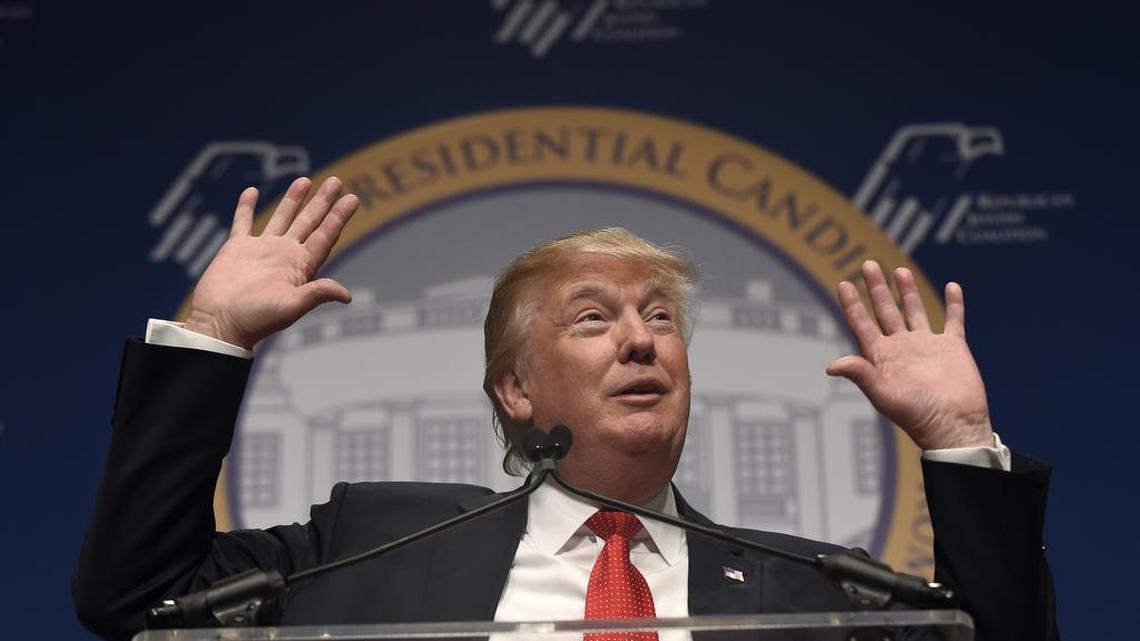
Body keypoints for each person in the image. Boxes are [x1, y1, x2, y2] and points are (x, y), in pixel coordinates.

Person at [74, 177, 1058, 641]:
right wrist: (212, 332)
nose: (641, 339)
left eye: (660, 316)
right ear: (515, 386)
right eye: (595, 318)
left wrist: (960, 441)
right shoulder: (369, 537)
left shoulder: (809, 592)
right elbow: (134, 596)